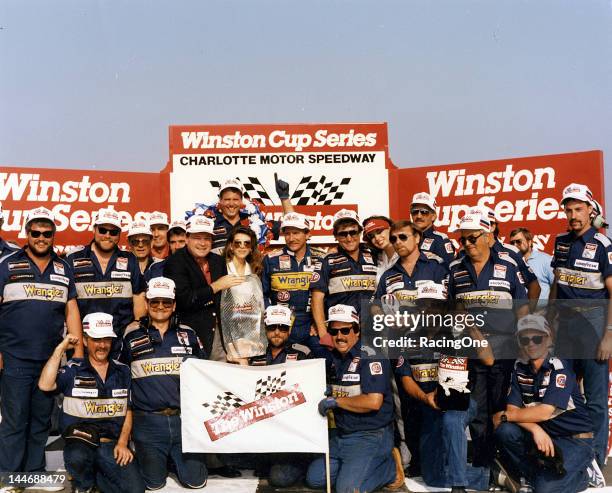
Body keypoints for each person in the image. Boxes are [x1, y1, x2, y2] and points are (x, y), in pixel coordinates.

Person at [0, 207, 83, 490]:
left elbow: (72, 311)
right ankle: (8, 476)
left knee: (39, 421)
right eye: (35, 232)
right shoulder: (7, 264)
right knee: (14, 421)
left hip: (50, 361)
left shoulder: (64, 268)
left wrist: (78, 354)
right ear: (27, 233)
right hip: (14, 357)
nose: (41, 237)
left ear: (53, 235)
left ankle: (33, 472)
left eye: (47, 233)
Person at [447, 210, 528, 475]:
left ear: (487, 235)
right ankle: (483, 464)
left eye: (472, 238)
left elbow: (523, 309)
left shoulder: (509, 266)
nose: (468, 244)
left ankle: (505, 463)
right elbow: (452, 309)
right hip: (472, 350)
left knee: (501, 409)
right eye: (463, 240)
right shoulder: (455, 270)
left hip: (505, 349)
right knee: (478, 411)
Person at [395, 283, 492, 493]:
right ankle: (488, 475)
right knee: (432, 477)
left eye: (435, 305)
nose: (429, 310)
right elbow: (406, 380)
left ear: (444, 309)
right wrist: (425, 397)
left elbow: (489, 359)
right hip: (428, 405)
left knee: (451, 418)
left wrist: (471, 326)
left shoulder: (457, 335)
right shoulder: (407, 338)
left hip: (462, 402)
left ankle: (459, 486)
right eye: (424, 305)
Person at [493, 315, 604, 493]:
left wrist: (506, 416)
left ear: (548, 338)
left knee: (545, 490)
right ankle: (533, 476)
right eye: (525, 339)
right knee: (506, 431)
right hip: (545, 436)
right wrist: (535, 429)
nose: (531, 343)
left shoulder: (560, 369)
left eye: (537, 338)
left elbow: (543, 412)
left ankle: (585, 474)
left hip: (575, 439)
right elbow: (512, 409)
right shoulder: (519, 367)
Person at [373, 219, 448, 475]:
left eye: (403, 237)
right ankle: (415, 460)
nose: (397, 242)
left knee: (440, 403)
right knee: (408, 407)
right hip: (402, 348)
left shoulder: (438, 268)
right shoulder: (389, 275)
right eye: (394, 239)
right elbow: (376, 310)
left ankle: (442, 459)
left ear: (417, 237)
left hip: (436, 346)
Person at [38, 313, 145, 493]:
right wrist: (60, 349)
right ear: (86, 341)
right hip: (81, 443)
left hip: (111, 445)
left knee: (135, 490)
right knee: (77, 457)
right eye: (96, 339)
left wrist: (122, 443)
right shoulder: (74, 369)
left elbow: (128, 410)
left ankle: (97, 478)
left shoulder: (123, 370)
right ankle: (84, 485)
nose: (102, 345)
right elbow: (45, 384)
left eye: (106, 340)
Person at [306, 304, 404, 493]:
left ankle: (389, 468)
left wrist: (337, 401)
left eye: (345, 330)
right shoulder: (333, 357)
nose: (339, 336)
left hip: (370, 434)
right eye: (334, 331)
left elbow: (373, 402)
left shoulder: (372, 354)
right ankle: (357, 468)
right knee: (315, 479)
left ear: (357, 331)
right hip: (342, 435)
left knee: (347, 490)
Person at [122, 277, 207, 490]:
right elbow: (122, 379)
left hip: (183, 421)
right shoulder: (131, 335)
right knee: (154, 484)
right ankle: (159, 458)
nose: (161, 307)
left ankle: (173, 459)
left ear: (174, 304)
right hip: (148, 422)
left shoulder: (188, 334)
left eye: (166, 302)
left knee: (196, 482)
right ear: (147, 303)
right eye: (155, 302)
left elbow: (206, 374)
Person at [549, 183, 612, 467]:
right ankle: (571, 455)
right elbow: (556, 284)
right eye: (569, 209)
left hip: (594, 327)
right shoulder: (560, 241)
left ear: (590, 210)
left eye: (578, 209)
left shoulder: (603, 245)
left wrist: (608, 335)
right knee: (562, 394)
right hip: (565, 328)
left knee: (597, 400)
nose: (573, 214)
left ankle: (596, 459)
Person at [66, 207, 146, 357]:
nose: (107, 235)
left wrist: (135, 328)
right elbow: (68, 303)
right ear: (94, 229)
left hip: (120, 342)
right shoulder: (73, 259)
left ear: (119, 235)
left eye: (113, 232)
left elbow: (139, 295)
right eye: (103, 230)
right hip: (84, 341)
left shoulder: (130, 260)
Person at [164, 215, 243, 360]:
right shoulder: (174, 262)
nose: (202, 243)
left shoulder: (218, 261)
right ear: (187, 238)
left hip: (219, 336)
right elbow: (183, 300)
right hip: (188, 336)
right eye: (197, 238)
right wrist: (215, 286)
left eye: (207, 238)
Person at [249, 305, 312, 487]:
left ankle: (303, 462)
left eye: (283, 328)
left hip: (293, 426)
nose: (277, 332)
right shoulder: (254, 354)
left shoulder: (303, 353)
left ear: (290, 329)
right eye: (272, 327)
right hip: (263, 423)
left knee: (278, 479)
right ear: (265, 328)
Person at [310, 209, 378, 349]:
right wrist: (323, 334)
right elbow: (317, 299)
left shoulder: (375, 255)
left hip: (372, 330)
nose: (349, 238)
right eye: (343, 234)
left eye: (353, 232)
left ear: (360, 233)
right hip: (341, 333)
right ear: (335, 236)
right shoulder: (327, 261)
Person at [261, 212, 326, 351]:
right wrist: (272, 323)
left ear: (307, 234)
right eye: (287, 234)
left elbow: (327, 296)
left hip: (310, 325)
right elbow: (263, 294)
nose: (291, 238)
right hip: (280, 325)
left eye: (296, 233)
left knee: (325, 358)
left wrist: (319, 322)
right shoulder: (270, 259)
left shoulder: (321, 258)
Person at [210, 175, 295, 254]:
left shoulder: (256, 222)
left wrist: (284, 198)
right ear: (220, 200)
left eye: (235, 199)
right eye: (227, 199)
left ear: (241, 201)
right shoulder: (210, 223)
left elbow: (291, 225)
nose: (231, 204)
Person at [221, 225, 265, 363]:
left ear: (251, 247)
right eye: (237, 243)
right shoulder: (222, 268)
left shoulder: (255, 271)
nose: (242, 246)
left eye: (246, 243)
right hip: (225, 334)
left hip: (250, 334)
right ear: (231, 246)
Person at [509, 227, 554, 310]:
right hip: (518, 314)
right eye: (512, 243)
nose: (515, 245)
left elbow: (556, 287)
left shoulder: (545, 260)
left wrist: (551, 311)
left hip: (541, 315)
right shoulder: (510, 262)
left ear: (529, 242)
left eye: (518, 241)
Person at [409, 192, 455, 267]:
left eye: (424, 212)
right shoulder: (405, 238)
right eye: (415, 212)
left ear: (433, 216)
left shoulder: (440, 240)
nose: (419, 216)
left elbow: (449, 270)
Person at [362, 215, 398, 285]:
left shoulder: (406, 253)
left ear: (391, 229)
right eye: (371, 236)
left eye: (379, 231)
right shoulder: (377, 257)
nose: (377, 238)